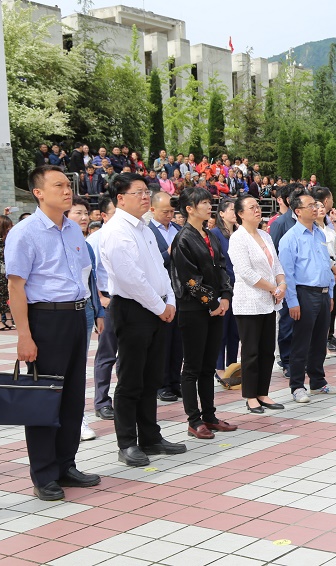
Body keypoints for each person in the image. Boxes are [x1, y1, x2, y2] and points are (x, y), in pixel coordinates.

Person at [5, 165, 100, 501]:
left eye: (68, 184)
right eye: (58, 185)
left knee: (73, 397)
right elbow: (16, 287)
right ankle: (43, 475)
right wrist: (24, 335)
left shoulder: (73, 230)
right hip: (45, 321)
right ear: (39, 192)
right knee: (45, 398)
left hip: (77, 318)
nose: (67, 190)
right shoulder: (25, 233)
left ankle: (66, 465)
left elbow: (84, 276)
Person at [99, 172, 186, 467]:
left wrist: (169, 300)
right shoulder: (116, 231)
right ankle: (127, 443)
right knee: (130, 380)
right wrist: (158, 306)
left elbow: (161, 270)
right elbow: (131, 278)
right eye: (138, 192)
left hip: (158, 307)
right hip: (133, 310)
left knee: (152, 378)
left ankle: (151, 437)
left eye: (146, 192)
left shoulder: (146, 229)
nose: (145, 197)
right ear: (120, 198)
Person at [170, 187, 237, 439]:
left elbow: (222, 269)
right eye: (204, 203)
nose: (210, 206)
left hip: (215, 308)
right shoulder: (183, 238)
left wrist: (226, 297)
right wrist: (212, 303)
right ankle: (194, 420)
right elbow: (189, 280)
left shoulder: (210, 235)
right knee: (193, 367)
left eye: (210, 202)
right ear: (189, 208)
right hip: (193, 309)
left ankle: (209, 415)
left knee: (209, 365)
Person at [277, 189, 336, 402]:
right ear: (297, 211)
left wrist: (330, 293)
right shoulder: (290, 238)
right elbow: (288, 274)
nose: (316, 209)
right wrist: (292, 302)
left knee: (319, 340)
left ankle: (318, 382)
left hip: (322, 293)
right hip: (304, 294)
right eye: (310, 206)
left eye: (316, 205)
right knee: (301, 342)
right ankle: (297, 386)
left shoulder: (320, 233)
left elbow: (326, 264)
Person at [229, 195, 287, 413]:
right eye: (251, 208)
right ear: (240, 214)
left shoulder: (265, 235)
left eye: (257, 206)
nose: (256, 210)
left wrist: (282, 283)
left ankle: (263, 392)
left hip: (269, 301)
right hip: (249, 302)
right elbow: (245, 273)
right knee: (251, 351)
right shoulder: (238, 238)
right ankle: (250, 396)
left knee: (267, 350)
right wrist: (273, 287)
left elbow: (277, 265)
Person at [66, 197, 105, 441]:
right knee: (62, 368)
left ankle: (78, 419)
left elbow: (92, 281)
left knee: (78, 367)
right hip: (58, 312)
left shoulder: (87, 245)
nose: (84, 217)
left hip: (86, 311)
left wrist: (99, 311)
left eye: (86, 213)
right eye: (78, 212)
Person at [149, 192, 183, 403]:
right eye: (165, 211)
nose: (170, 215)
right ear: (152, 210)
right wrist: (169, 252)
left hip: (181, 293)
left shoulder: (179, 229)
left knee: (178, 342)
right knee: (162, 342)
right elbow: (150, 264)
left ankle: (174, 381)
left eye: (172, 211)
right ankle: (161, 384)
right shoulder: (148, 232)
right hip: (160, 294)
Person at [86, 196, 117, 420]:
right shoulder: (95, 240)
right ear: (104, 216)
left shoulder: (129, 236)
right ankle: (102, 401)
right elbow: (91, 273)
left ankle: (126, 399)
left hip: (129, 300)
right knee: (106, 355)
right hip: (108, 300)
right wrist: (100, 300)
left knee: (129, 355)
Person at [210, 199, 240, 383]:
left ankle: (232, 366)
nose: (234, 212)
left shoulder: (240, 233)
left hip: (240, 288)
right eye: (231, 209)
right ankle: (219, 367)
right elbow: (218, 264)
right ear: (221, 213)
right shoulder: (214, 234)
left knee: (235, 331)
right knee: (221, 330)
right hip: (223, 288)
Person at [270, 184, 298, 377]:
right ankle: (286, 360)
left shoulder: (310, 224)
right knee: (287, 322)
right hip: (287, 281)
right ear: (289, 200)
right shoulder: (281, 223)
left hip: (305, 282)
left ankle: (299, 358)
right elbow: (273, 254)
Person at [314, 187, 336, 353]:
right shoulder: (312, 232)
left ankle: (326, 339)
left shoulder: (330, 231)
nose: (319, 210)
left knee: (329, 310)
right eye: (316, 207)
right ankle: (319, 344)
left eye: (321, 207)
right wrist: (333, 269)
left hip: (333, 274)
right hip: (322, 274)